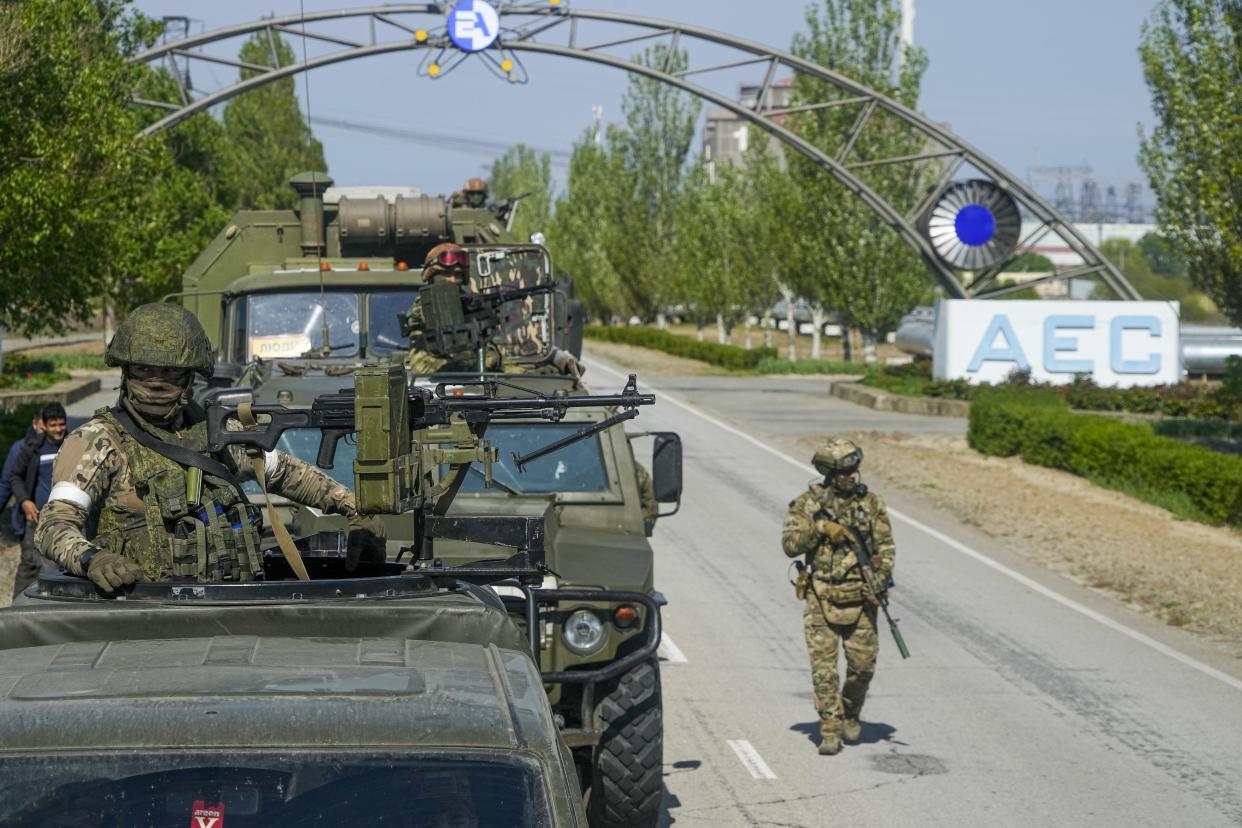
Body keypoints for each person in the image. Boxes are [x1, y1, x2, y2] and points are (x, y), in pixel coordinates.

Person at [35, 303, 385, 592]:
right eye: (144, 370)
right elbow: (53, 527)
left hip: (234, 607)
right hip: (143, 615)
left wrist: (358, 511)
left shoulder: (217, 432)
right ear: (125, 371)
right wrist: (93, 559)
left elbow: (289, 474)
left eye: (170, 373)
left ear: (190, 376)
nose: (156, 383)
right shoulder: (97, 442)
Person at [781, 437, 895, 756]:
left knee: (863, 666)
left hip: (860, 597)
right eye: (845, 472)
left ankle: (851, 710)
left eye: (855, 470)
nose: (852, 477)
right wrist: (819, 530)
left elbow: (885, 548)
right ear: (830, 473)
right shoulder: (807, 505)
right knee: (824, 669)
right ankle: (829, 727)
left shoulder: (871, 504)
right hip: (822, 596)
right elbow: (790, 545)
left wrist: (879, 577)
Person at [406, 244, 581, 377]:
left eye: (458, 274)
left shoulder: (466, 300)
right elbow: (425, 318)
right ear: (432, 275)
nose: (453, 279)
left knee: (523, 374)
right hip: (433, 372)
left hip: (472, 369)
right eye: (447, 274)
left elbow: (486, 351)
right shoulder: (425, 304)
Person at [7, 403, 66, 597]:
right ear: (45, 426)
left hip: (66, 517)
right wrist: (24, 501)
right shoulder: (32, 448)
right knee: (30, 565)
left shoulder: (73, 444)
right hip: (36, 517)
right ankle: (18, 609)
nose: (58, 430)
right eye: (53, 425)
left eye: (61, 424)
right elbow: (14, 477)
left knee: (64, 564)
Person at [0, 413, 44, 541]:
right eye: (41, 430)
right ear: (34, 424)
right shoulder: (19, 448)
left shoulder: (62, 446)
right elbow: (6, 484)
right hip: (28, 520)